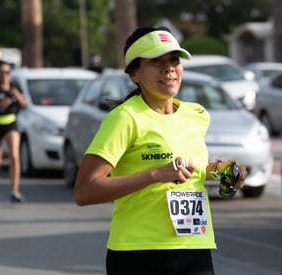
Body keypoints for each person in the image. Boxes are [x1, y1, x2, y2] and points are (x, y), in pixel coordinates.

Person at [74, 26, 247, 275]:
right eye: (157, 61)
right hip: (139, 254)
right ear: (135, 73)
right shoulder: (125, 118)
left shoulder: (196, 115)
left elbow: (192, 170)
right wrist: (156, 174)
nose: (169, 68)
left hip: (195, 249)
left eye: (174, 60)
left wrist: (223, 171)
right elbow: (85, 191)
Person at [0, 60, 27, 203]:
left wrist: (17, 95)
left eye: (7, 72)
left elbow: (24, 104)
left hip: (11, 124)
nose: (4, 75)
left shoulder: (15, 87)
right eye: (1, 72)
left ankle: (15, 191)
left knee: (14, 155)